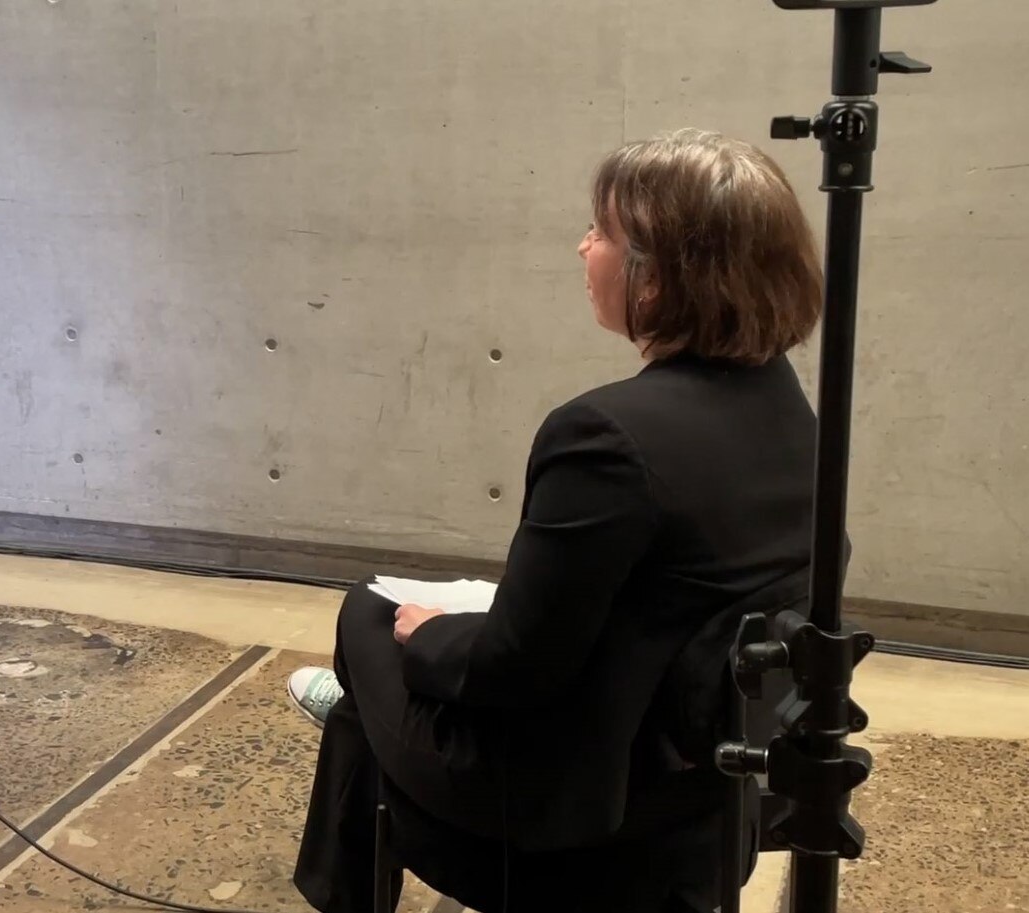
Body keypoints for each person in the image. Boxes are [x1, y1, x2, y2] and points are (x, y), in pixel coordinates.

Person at [287, 128, 827, 913]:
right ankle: (359, 720)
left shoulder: (606, 435)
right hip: (710, 786)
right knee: (368, 712)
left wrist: (428, 634)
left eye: (600, 230)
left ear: (654, 277)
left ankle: (358, 724)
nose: (582, 246)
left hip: (572, 812)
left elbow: (512, 667)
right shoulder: (787, 404)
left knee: (367, 610)